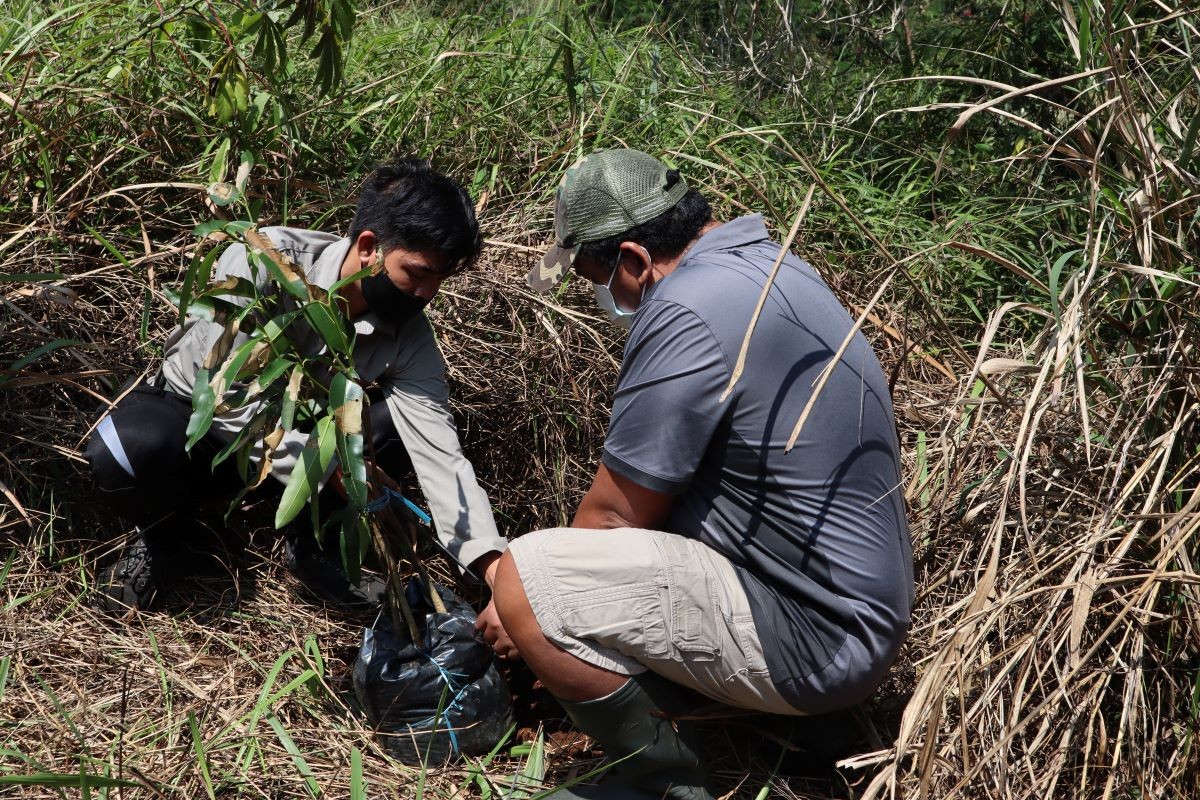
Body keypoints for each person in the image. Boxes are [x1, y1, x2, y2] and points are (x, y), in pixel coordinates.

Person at [475, 149, 913, 798]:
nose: (599, 294)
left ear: (632, 259)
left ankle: (666, 782)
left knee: (531, 580)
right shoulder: (774, 266)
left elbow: (616, 517)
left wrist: (518, 621)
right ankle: (792, 732)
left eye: (593, 274)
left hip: (815, 640)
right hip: (856, 615)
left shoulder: (684, 308)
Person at [85, 158, 506, 611]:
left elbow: (440, 451)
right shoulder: (262, 264)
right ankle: (169, 540)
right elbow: (226, 399)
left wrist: (494, 567)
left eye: (440, 280)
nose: (428, 295)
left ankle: (315, 549)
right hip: (204, 432)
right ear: (369, 248)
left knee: (397, 426)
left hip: (300, 457)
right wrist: (340, 471)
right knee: (124, 446)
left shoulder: (409, 333)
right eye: (419, 273)